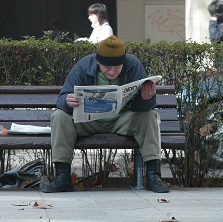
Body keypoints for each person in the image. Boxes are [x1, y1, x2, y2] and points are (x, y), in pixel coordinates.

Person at [41, 35, 169, 194]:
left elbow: (143, 107)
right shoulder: (83, 67)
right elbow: (61, 99)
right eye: (107, 68)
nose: (112, 72)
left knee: (150, 116)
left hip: (122, 120)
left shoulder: (133, 66)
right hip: (88, 121)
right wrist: (67, 102)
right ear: (98, 62)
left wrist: (146, 98)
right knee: (59, 116)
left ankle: (152, 176)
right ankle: (62, 178)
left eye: (117, 67)